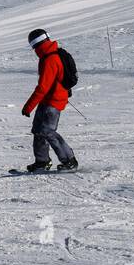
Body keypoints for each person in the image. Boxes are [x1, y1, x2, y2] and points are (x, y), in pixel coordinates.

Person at [21, 28, 78, 172]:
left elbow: (42, 88)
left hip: (54, 101)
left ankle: (69, 160)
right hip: (48, 100)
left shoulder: (50, 59)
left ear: (36, 45)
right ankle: (42, 161)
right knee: (38, 130)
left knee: (48, 131)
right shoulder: (49, 55)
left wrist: (28, 107)